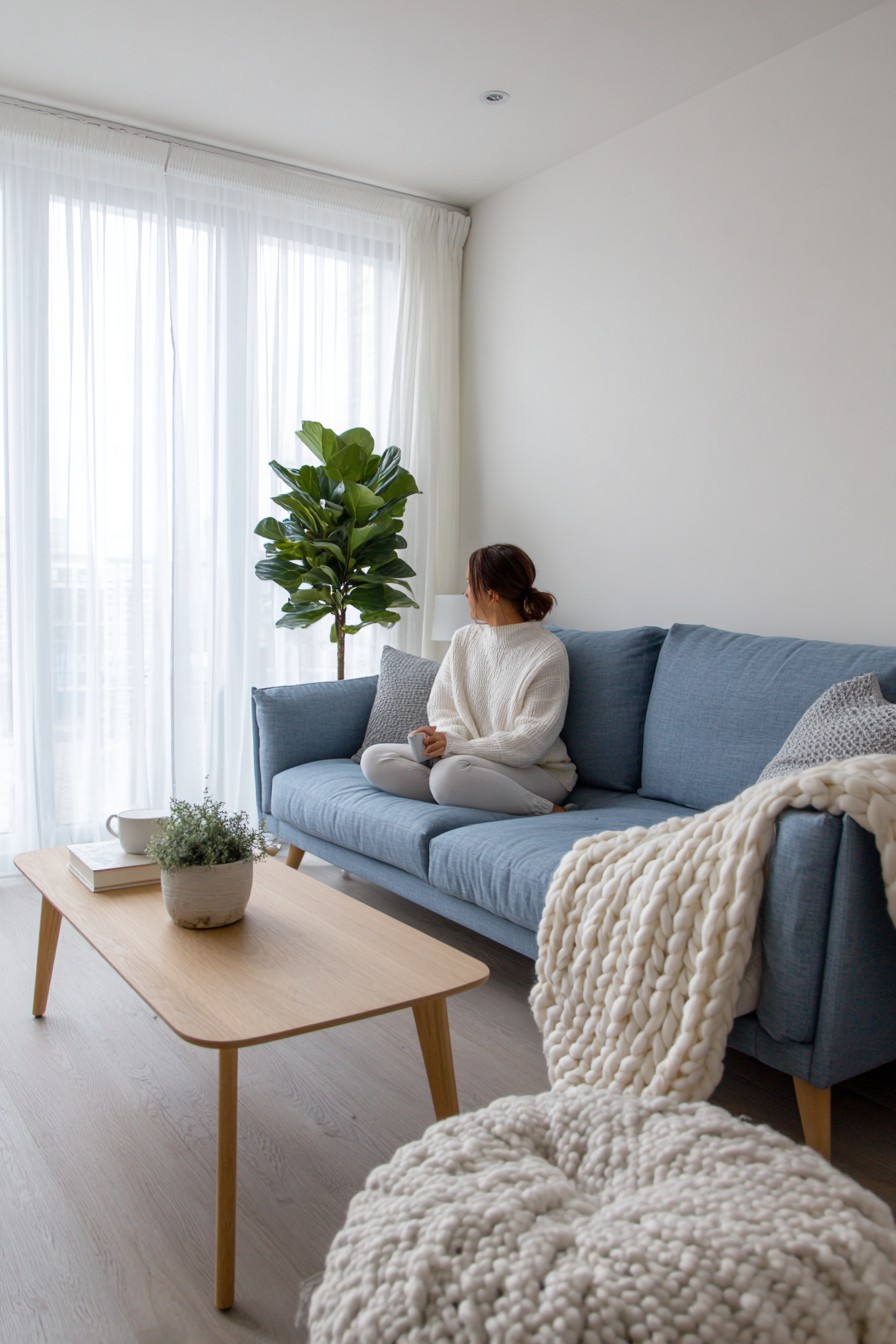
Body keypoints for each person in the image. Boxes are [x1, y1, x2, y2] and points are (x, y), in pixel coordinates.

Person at [361, 544, 577, 815]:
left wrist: (456, 748)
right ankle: (466, 794)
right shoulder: (464, 638)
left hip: (537, 772)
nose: (465, 593)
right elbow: (443, 708)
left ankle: (548, 810)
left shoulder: (547, 652)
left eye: (469, 584)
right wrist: (441, 740)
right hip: (467, 761)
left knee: (449, 775)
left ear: (491, 593)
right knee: (376, 758)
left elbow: (529, 744)